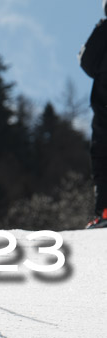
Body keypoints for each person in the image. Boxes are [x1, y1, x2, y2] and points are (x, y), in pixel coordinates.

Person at [80, 1, 107, 228]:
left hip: (106, 108)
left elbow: (86, 63)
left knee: (103, 157)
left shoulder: (104, 30)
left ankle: (106, 213)